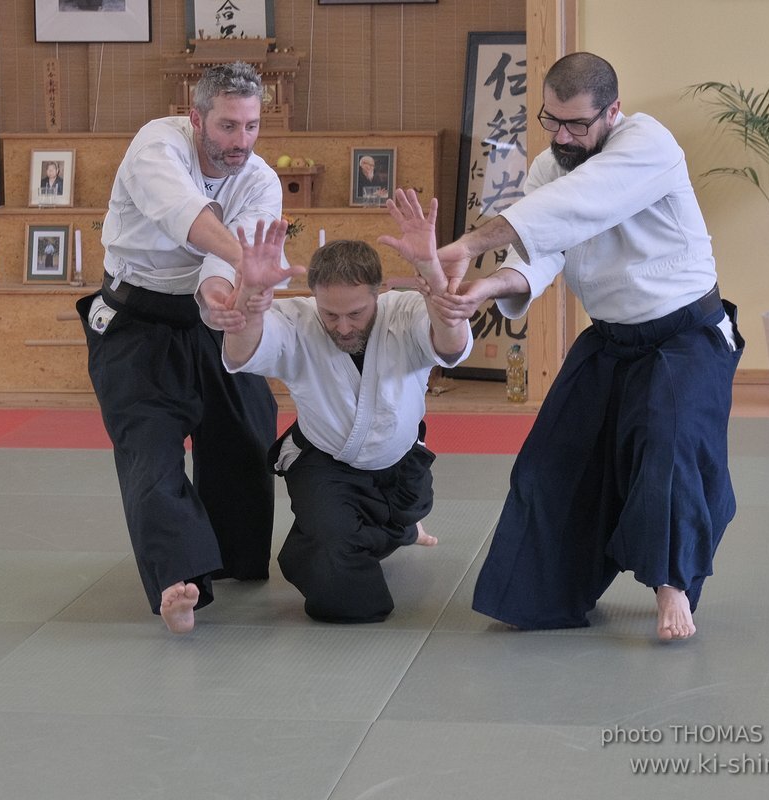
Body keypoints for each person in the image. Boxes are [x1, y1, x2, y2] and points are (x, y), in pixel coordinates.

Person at [429, 52, 744, 640]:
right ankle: (541, 592)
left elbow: (581, 203)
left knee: (668, 444)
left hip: (684, 336)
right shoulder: (550, 167)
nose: (564, 137)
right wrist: (485, 287)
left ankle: (671, 584)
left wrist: (470, 243)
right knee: (554, 459)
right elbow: (542, 251)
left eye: (578, 124)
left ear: (612, 112)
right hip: (611, 340)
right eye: (552, 122)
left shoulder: (647, 143)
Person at [75, 61, 284, 634]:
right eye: (227, 127)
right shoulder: (156, 146)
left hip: (208, 316)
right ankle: (178, 579)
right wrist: (248, 266)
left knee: (247, 429)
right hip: (136, 322)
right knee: (151, 448)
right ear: (196, 119)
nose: (240, 142)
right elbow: (187, 218)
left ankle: (236, 557)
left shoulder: (261, 179)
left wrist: (221, 290)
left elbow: (227, 251)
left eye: (250, 126)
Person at [220, 189, 472, 623]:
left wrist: (430, 270)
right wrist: (252, 304)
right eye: (330, 314)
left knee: (402, 515)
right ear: (313, 295)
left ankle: (369, 531)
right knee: (342, 585)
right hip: (327, 461)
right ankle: (318, 543)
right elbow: (241, 354)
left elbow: (450, 346)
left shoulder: (406, 311)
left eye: (355, 313)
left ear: (381, 291)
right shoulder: (297, 319)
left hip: (400, 464)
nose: (341, 326)